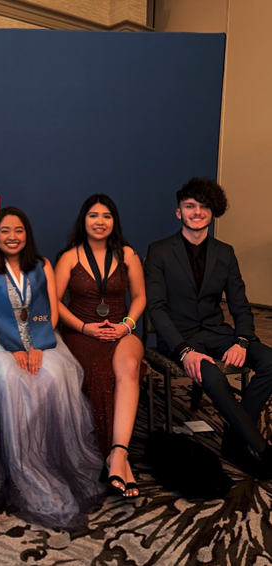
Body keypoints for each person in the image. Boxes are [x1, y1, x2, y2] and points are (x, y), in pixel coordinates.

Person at [0, 207, 106, 529]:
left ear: (26, 234)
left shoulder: (42, 265)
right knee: (9, 378)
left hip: (40, 335)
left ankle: (55, 458)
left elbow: (49, 311)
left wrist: (35, 346)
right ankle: (23, 465)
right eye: (5, 231)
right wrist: (14, 347)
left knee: (54, 375)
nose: (12, 237)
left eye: (18, 230)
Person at [145, 177, 272, 478]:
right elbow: (156, 309)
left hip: (218, 332)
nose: (197, 212)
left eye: (203, 206)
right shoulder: (159, 251)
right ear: (179, 213)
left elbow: (240, 305)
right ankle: (261, 448)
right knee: (212, 375)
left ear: (212, 212)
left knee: (269, 359)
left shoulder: (225, 253)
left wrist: (241, 341)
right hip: (180, 338)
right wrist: (184, 350)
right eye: (190, 206)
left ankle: (234, 440)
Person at [55, 194, 146, 498]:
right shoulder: (69, 257)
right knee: (100, 371)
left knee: (129, 367)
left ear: (113, 222)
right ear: (84, 220)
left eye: (106, 216)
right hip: (81, 333)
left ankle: (116, 453)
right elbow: (54, 303)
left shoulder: (129, 255)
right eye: (93, 215)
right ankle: (119, 457)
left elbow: (140, 297)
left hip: (122, 331)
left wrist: (126, 326)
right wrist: (84, 328)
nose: (100, 221)